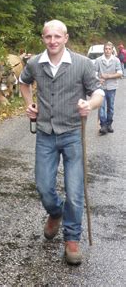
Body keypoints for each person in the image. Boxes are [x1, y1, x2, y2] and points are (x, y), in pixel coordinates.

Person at [19, 20, 104, 265]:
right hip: (45, 134)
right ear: (43, 38)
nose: (53, 41)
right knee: (44, 187)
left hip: (73, 135)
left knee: (75, 192)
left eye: (57, 36)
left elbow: (97, 91)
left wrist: (90, 104)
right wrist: (29, 104)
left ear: (66, 38)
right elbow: (23, 82)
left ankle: (72, 238)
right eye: (48, 37)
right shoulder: (35, 63)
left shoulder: (83, 64)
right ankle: (55, 212)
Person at [95, 42, 123, 135]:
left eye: (109, 49)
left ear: (112, 50)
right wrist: (98, 79)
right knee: (101, 106)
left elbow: (120, 73)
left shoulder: (116, 60)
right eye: (106, 49)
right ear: (104, 50)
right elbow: (94, 73)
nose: (107, 50)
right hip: (101, 87)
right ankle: (103, 125)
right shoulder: (98, 60)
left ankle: (109, 124)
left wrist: (108, 76)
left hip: (112, 87)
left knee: (110, 107)